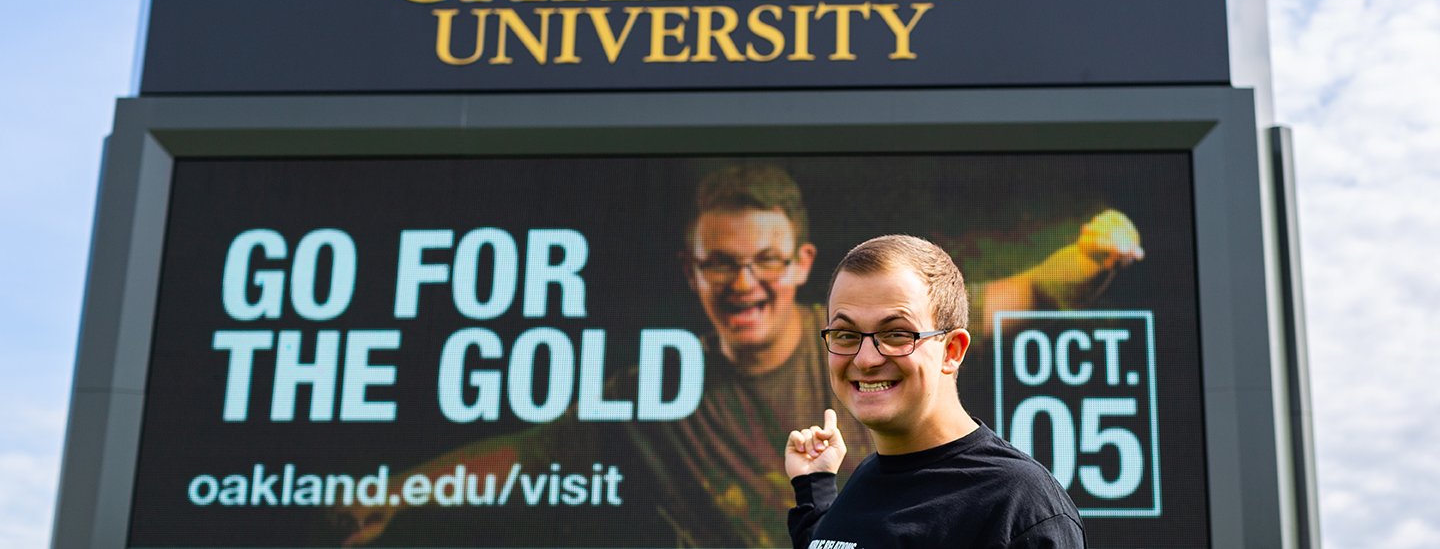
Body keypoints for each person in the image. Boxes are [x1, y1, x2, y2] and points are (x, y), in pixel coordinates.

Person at [336, 163, 1136, 546]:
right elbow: (524, 453)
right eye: (721, 262)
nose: (743, 282)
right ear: (692, 273)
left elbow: (1022, 292)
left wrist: (1094, 255)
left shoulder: (1016, 502)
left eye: (894, 337)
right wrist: (402, 487)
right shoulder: (658, 391)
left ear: (797, 266)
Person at [785, 235, 1086, 548]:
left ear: (952, 350)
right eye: (846, 335)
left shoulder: (1018, 503)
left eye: (897, 334)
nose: (866, 359)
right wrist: (814, 489)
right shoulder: (864, 481)